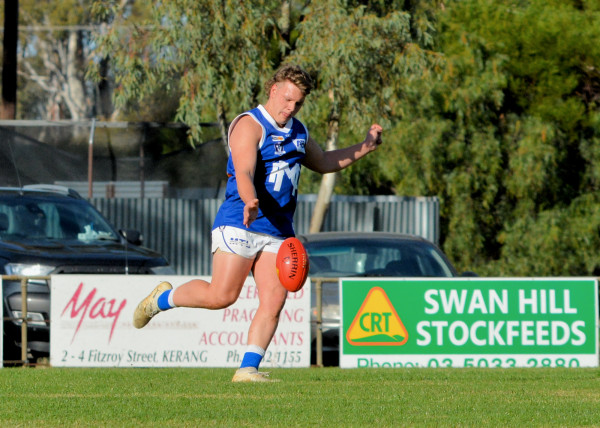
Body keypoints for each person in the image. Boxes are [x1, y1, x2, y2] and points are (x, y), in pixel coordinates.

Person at [133, 64, 382, 382]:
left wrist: (365, 147)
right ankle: (161, 300)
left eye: (298, 103)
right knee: (221, 296)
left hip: (278, 231)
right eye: (287, 99)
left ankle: (247, 369)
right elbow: (244, 170)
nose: (291, 107)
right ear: (273, 90)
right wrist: (250, 200)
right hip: (241, 221)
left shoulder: (299, 132)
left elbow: (324, 162)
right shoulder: (249, 125)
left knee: (275, 301)